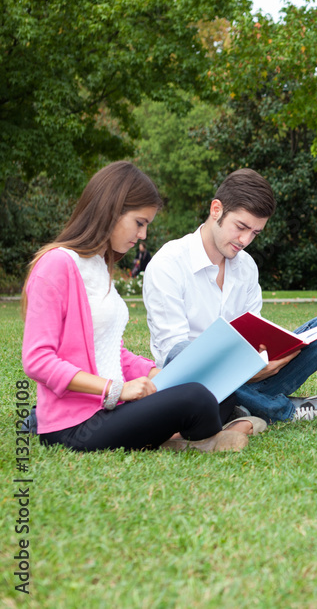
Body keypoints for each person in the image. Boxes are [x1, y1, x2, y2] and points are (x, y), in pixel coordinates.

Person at [21, 161, 255, 452]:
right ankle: (189, 439)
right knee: (197, 397)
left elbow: (111, 352)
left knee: (212, 387)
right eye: (139, 223)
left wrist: (153, 373)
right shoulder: (56, 264)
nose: (143, 235)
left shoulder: (98, 266)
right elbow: (37, 360)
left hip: (111, 407)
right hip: (74, 427)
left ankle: (179, 438)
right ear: (111, 210)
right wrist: (115, 389)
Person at [143, 169, 317, 424]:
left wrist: (262, 359)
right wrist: (241, 371)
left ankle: (244, 406)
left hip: (248, 375)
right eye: (241, 227)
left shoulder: (247, 266)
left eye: (255, 233)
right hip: (193, 383)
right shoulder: (168, 263)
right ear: (216, 210)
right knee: (182, 353)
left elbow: (254, 332)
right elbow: (173, 355)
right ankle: (281, 410)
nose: (245, 240)